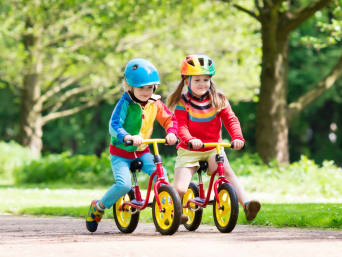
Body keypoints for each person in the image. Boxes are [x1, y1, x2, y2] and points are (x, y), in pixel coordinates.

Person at [86, 58, 178, 232]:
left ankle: (166, 210)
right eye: (141, 88)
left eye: (149, 87)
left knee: (161, 175)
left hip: (143, 151)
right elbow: (114, 126)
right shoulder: (125, 103)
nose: (145, 92)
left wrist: (172, 132)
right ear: (130, 86)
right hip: (121, 153)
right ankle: (98, 206)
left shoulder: (155, 102)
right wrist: (127, 136)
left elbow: (169, 119)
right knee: (124, 185)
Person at [167, 54, 261, 222]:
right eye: (197, 80)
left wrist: (237, 137)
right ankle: (176, 212)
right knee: (180, 188)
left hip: (213, 148)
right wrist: (190, 139)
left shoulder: (218, 99)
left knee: (226, 172)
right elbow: (181, 126)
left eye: (205, 79)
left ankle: (246, 204)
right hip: (189, 150)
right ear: (186, 81)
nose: (202, 84)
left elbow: (231, 120)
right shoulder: (183, 103)